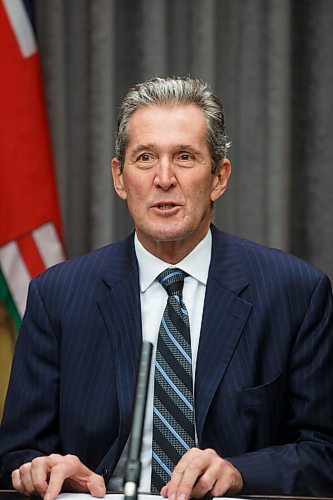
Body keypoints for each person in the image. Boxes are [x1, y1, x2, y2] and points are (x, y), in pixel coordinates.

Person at [0, 76, 333, 499]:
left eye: (185, 157)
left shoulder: (295, 293)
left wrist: (238, 471)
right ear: (120, 178)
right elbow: (14, 455)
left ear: (219, 177)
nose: (164, 178)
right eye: (144, 158)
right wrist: (42, 469)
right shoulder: (57, 296)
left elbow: (324, 453)